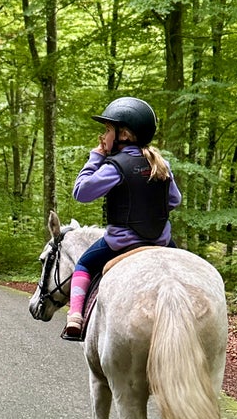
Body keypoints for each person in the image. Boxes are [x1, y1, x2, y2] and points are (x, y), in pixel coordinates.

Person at [61, 96, 181, 341]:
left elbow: (81, 192)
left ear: (123, 134)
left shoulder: (115, 166)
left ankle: (74, 317)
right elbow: (174, 201)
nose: (103, 137)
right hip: (160, 241)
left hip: (121, 243)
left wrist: (95, 157)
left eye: (107, 130)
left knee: (83, 263)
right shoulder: (161, 163)